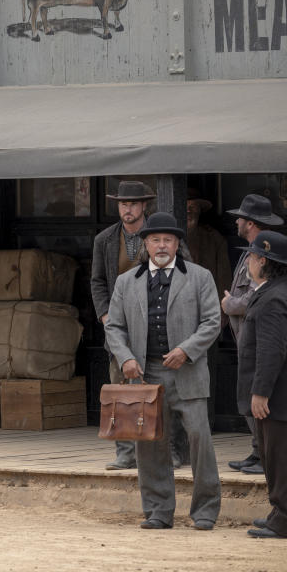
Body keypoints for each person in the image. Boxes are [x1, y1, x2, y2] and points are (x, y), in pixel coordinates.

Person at [105, 212, 222, 531]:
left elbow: (213, 322)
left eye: (168, 240)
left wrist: (186, 350)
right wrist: (126, 357)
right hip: (145, 373)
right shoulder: (126, 282)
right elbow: (113, 325)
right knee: (150, 442)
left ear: (177, 244)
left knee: (200, 437)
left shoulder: (200, 277)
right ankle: (158, 510)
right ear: (145, 244)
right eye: (155, 239)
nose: (161, 245)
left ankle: (205, 510)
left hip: (188, 371)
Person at [91, 181, 192, 470]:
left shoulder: (165, 236)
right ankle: (126, 452)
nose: (128, 209)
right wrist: (105, 315)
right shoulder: (105, 240)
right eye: (123, 204)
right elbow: (97, 281)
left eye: (133, 204)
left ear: (144, 206)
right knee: (120, 388)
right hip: (121, 325)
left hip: (161, 322)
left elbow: (187, 273)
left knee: (165, 390)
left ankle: (171, 450)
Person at [235, 231, 287, 539]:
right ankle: (278, 513)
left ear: (264, 261)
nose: (249, 262)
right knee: (272, 456)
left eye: (253, 257)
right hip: (281, 390)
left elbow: (272, 350)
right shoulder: (274, 289)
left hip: (281, 392)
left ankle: (286, 520)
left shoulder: (275, 297)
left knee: (281, 458)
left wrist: (260, 392)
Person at [222, 194, 284, 476]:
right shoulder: (250, 251)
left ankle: (266, 456)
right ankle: (257, 451)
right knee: (248, 399)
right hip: (245, 340)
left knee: (258, 400)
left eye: (240, 218)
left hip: (258, 340)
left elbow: (257, 298)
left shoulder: (266, 255)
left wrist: (228, 304)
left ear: (250, 223)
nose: (236, 221)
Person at [186, 188, 231, 299]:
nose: (188, 211)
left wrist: (222, 312)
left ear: (200, 210)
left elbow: (224, 282)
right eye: (184, 206)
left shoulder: (214, 239)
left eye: (193, 207)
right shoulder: (165, 238)